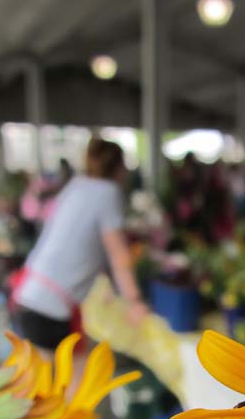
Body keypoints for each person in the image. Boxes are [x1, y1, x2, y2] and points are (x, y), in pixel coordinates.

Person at [14, 138, 148, 350]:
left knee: (51, 377)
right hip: (49, 307)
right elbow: (118, 255)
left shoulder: (77, 186)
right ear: (119, 167)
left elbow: (84, 241)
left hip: (29, 293)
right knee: (67, 379)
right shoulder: (108, 192)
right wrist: (135, 302)